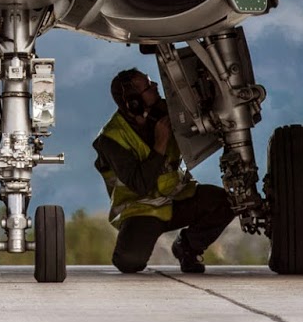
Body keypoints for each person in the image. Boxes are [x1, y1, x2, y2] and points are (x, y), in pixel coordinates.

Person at [92, 67, 235, 273]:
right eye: (148, 87)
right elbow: (140, 185)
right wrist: (160, 143)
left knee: (225, 202)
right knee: (129, 262)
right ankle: (133, 242)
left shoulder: (166, 112)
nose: (156, 87)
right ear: (133, 102)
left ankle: (187, 247)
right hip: (142, 208)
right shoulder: (111, 139)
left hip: (177, 198)